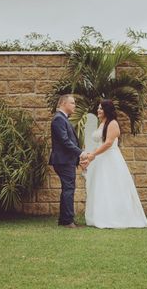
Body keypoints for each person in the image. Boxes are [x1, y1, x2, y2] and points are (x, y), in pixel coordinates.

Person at [82, 99, 147, 229]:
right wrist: (89, 155)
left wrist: (92, 155)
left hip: (110, 158)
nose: (98, 110)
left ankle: (116, 217)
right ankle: (100, 216)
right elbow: (99, 143)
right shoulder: (102, 123)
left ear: (107, 110)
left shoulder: (113, 123)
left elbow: (108, 143)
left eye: (101, 108)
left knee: (112, 185)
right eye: (98, 108)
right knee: (101, 186)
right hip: (100, 159)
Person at [48, 94, 87, 228]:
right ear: (63, 103)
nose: (75, 106)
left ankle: (65, 219)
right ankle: (67, 221)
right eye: (72, 103)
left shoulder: (62, 119)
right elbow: (65, 141)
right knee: (69, 189)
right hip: (63, 161)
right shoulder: (59, 119)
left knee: (68, 188)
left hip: (66, 160)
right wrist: (80, 153)